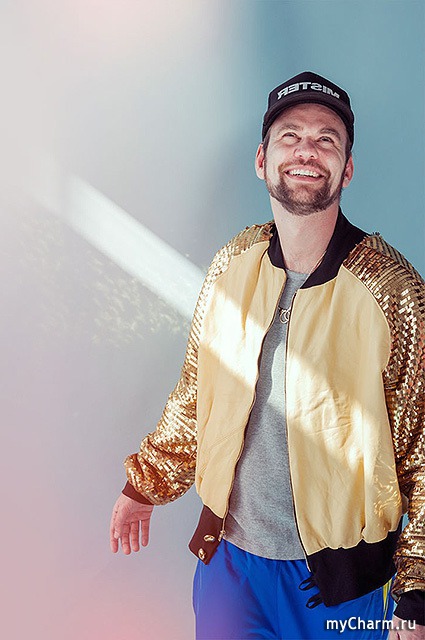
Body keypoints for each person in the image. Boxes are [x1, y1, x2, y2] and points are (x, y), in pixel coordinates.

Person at [110, 72, 425, 639]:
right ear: (262, 160)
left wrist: (417, 588)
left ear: (347, 169)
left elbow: (422, 443)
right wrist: (145, 484)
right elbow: (197, 394)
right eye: (290, 136)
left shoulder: (391, 289)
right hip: (231, 567)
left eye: (327, 139)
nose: (307, 150)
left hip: (343, 583)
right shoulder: (233, 264)